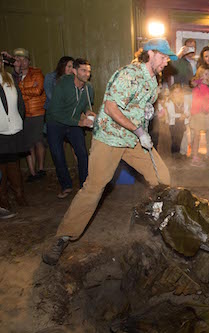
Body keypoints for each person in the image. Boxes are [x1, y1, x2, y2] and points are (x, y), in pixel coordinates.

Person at [42, 38, 176, 265]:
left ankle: (155, 225)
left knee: (162, 178)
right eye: (163, 57)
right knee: (94, 187)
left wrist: (148, 111)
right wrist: (139, 131)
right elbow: (110, 108)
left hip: (133, 139)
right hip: (110, 137)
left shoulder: (153, 80)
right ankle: (63, 237)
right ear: (151, 54)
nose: (166, 62)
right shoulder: (128, 75)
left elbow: (141, 104)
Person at [45, 58, 95, 198]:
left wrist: (88, 113)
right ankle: (66, 185)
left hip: (73, 124)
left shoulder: (88, 87)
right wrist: (80, 123)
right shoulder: (62, 85)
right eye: (83, 70)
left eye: (89, 71)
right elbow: (55, 112)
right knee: (58, 155)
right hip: (55, 123)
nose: (87, 74)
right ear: (74, 71)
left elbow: (86, 105)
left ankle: (84, 186)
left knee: (82, 153)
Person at [12, 48, 47, 182]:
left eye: (23, 59)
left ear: (28, 61)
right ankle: (32, 172)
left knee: (38, 141)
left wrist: (20, 90)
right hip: (21, 114)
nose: (21, 62)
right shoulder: (13, 76)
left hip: (37, 112)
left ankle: (41, 169)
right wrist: (27, 91)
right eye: (18, 59)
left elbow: (38, 90)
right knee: (27, 144)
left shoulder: (36, 73)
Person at [0, 52, 28, 219]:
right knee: (1, 164)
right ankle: (3, 199)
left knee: (13, 161)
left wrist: (19, 118)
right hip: (0, 129)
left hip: (14, 127)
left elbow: (20, 103)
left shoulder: (8, 77)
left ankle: (19, 194)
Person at [190, 66, 209, 167]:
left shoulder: (207, 88)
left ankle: (195, 155)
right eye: (205, 74)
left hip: (203, 114)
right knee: (196, 136)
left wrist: (208, 82)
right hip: (197, 113)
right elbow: (195, 83)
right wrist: (201, 80)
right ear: (200, 75)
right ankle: (195, 157)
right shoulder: (198, 86)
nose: (208, 76)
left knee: (198, 136)